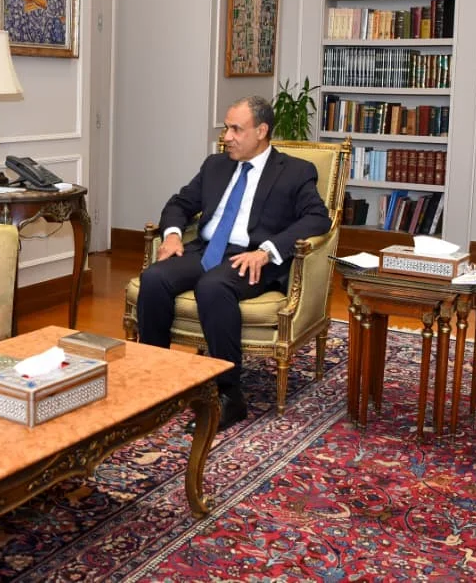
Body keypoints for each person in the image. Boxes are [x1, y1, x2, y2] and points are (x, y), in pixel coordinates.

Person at [136, 96, 331, 431]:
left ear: (262, 131)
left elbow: (318, 218)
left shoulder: (295, 171)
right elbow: (180, 203)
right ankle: (156, 381)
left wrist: (268, 250)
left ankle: (228, 395)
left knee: (213, 287)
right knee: (154, 278)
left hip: (251, 257)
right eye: (227, 128)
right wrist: (172, 235)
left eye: (236, 129)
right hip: (206, 250)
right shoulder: (216, 165)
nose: (227, 136)